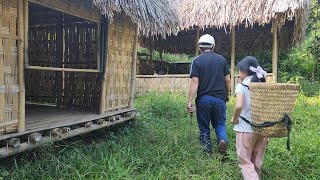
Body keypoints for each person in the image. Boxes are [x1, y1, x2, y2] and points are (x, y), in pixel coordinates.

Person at [187, 34, 231, 157]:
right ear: (213, 46)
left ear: (200, 47)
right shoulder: (222, 60)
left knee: (204, 127)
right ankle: (222, 141)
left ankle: (207, 154)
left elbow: (195, 82)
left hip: (203, 100)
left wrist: (190, 101)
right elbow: (227, 80)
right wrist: (227, 95)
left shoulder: (196, 61)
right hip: (220, 99)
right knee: (220, 124)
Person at [231, 56, 268, 180]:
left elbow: (239, 105)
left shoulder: (241, 86)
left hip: (245, 129)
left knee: (246, 163)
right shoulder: (263, 85)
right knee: (256, 162)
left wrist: (234, 119)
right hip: (262, 129)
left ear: (243, 71)